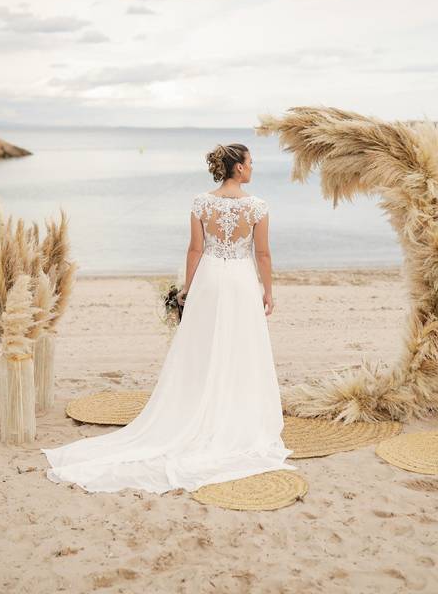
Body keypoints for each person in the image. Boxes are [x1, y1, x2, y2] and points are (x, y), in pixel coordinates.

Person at [40, 142, 296, 493]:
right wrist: (268, 291)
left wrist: (188, 290)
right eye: (251, 163)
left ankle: (196, 409)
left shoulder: (200, 203)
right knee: (241, 348)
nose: (253, 168)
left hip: (208, 279)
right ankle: (233, 415)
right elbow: (262, 254)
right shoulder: (258, 207)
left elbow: (194, 250)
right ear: (238, 168)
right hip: (239, 281)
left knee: (200, 350)